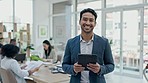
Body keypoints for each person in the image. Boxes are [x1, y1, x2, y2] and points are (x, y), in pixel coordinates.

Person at [62, 8, 114, 83]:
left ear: (95, 24)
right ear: (79, 22)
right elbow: (64, 65)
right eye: (85, 19)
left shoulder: (104, 42)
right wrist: (73, 68)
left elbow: (111, 65)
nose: (88, 23)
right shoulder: (71, 43)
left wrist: (100, 69)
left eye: (91, 20)